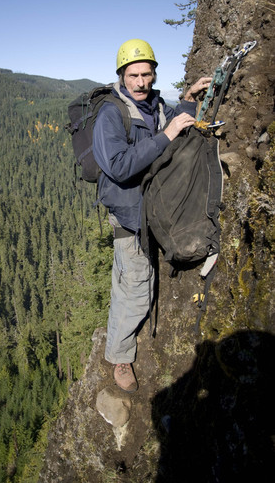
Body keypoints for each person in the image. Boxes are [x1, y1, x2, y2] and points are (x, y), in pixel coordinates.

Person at [93, 39, 211, 392]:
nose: (142, 82)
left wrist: (188, 99)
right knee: (135, 289)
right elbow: (118, 165)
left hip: (154, 207)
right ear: (121, 76)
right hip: (130, 215)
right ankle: (119, 358)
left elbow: (169, 124)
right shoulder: (111, 114)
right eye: (134, 75)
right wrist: (167, 136)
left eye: (147, 74)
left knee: (132, 280)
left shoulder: (154, 105)